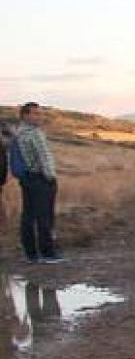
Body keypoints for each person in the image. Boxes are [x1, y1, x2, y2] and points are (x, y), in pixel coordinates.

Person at [11, 103, 63, 264]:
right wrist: (51, 177)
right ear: (25, 115)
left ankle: (31, 253)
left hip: (27, 178)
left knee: (28, 215)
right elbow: (43, 158)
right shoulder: (32, 133)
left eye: (40, 114)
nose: (39, 117)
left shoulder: (19, 133)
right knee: (44, 217)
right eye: (35, 114)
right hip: (39, 178)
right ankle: (47, 253)